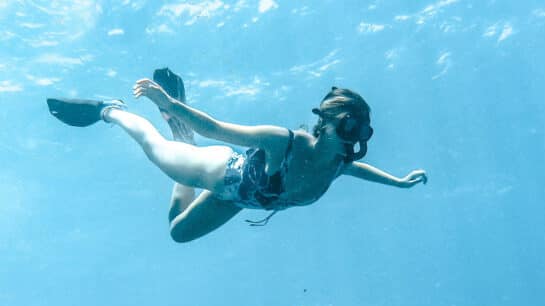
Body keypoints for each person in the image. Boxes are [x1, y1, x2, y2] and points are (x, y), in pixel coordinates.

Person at [47, 68, 427, 242]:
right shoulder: (284, 142)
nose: (354, 139)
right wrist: (169, 102)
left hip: (243, 201)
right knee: (157, 149)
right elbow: (215, 128)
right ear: (325, 123)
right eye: (349, 126)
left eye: (362, 131)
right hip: (221, 173)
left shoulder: (337, 163)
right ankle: (111, 110)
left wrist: (398, 182)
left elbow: (359, 170)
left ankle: (179, 133)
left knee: (177, 232)